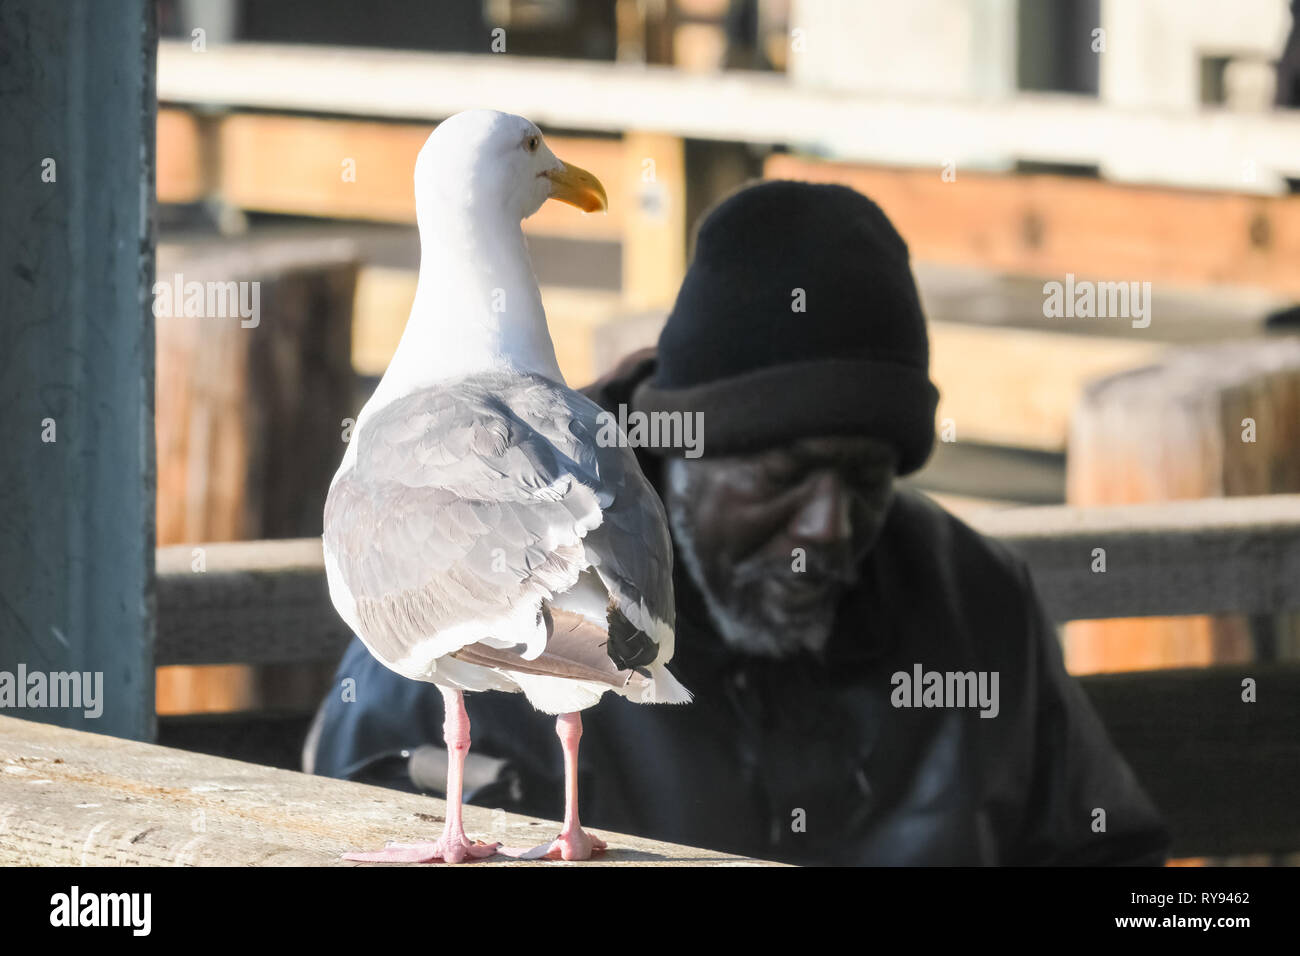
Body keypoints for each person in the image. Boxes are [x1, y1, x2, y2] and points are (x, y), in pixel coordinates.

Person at [306, 180, 1170, 865]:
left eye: (870, 478)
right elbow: (347, 824)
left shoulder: (976, 603)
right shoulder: (471, 557)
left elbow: (1107, 854)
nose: (830, 526)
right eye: (783, 476)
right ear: (681, 452)